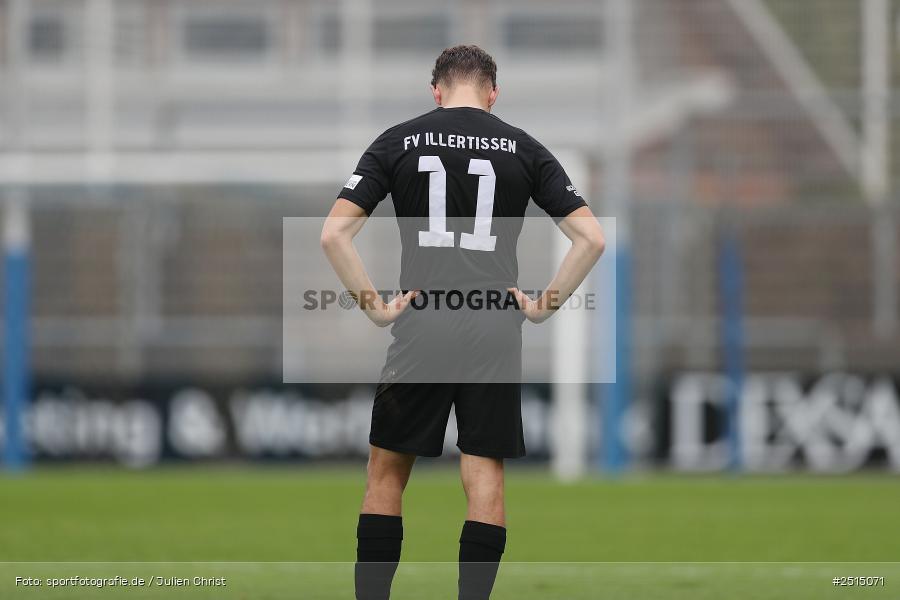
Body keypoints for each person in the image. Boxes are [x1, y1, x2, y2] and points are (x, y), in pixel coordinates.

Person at [321, 44, 605, 600]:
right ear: (493, 93)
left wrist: (375, 307)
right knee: (483, 473)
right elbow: (591, 237)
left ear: (436, 90)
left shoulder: (398, 140)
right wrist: (544, 303)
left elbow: (333, 233)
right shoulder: (524, 148)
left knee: (386, 474)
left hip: (423, 318)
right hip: (495, 323)